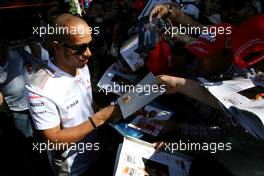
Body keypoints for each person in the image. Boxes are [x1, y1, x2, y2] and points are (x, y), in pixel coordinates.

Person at [25, 13, 122, 176]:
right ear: (57, 47)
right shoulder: (38, 87)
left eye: (90, 45)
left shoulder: (81, 65)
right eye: (80, 48)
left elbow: (86, 102)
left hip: (96, 152)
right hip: (73, 168)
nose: (88, 53)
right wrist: (100, 118)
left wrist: (99, 110)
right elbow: (54, 139)